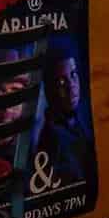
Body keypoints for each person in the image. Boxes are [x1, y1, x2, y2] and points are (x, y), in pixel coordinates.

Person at [34, 37, 96, 190]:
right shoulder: (52, 138)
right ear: (49, 89)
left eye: (73, 75)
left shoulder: (82, 118)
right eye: (61, 82)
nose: (71, 86)